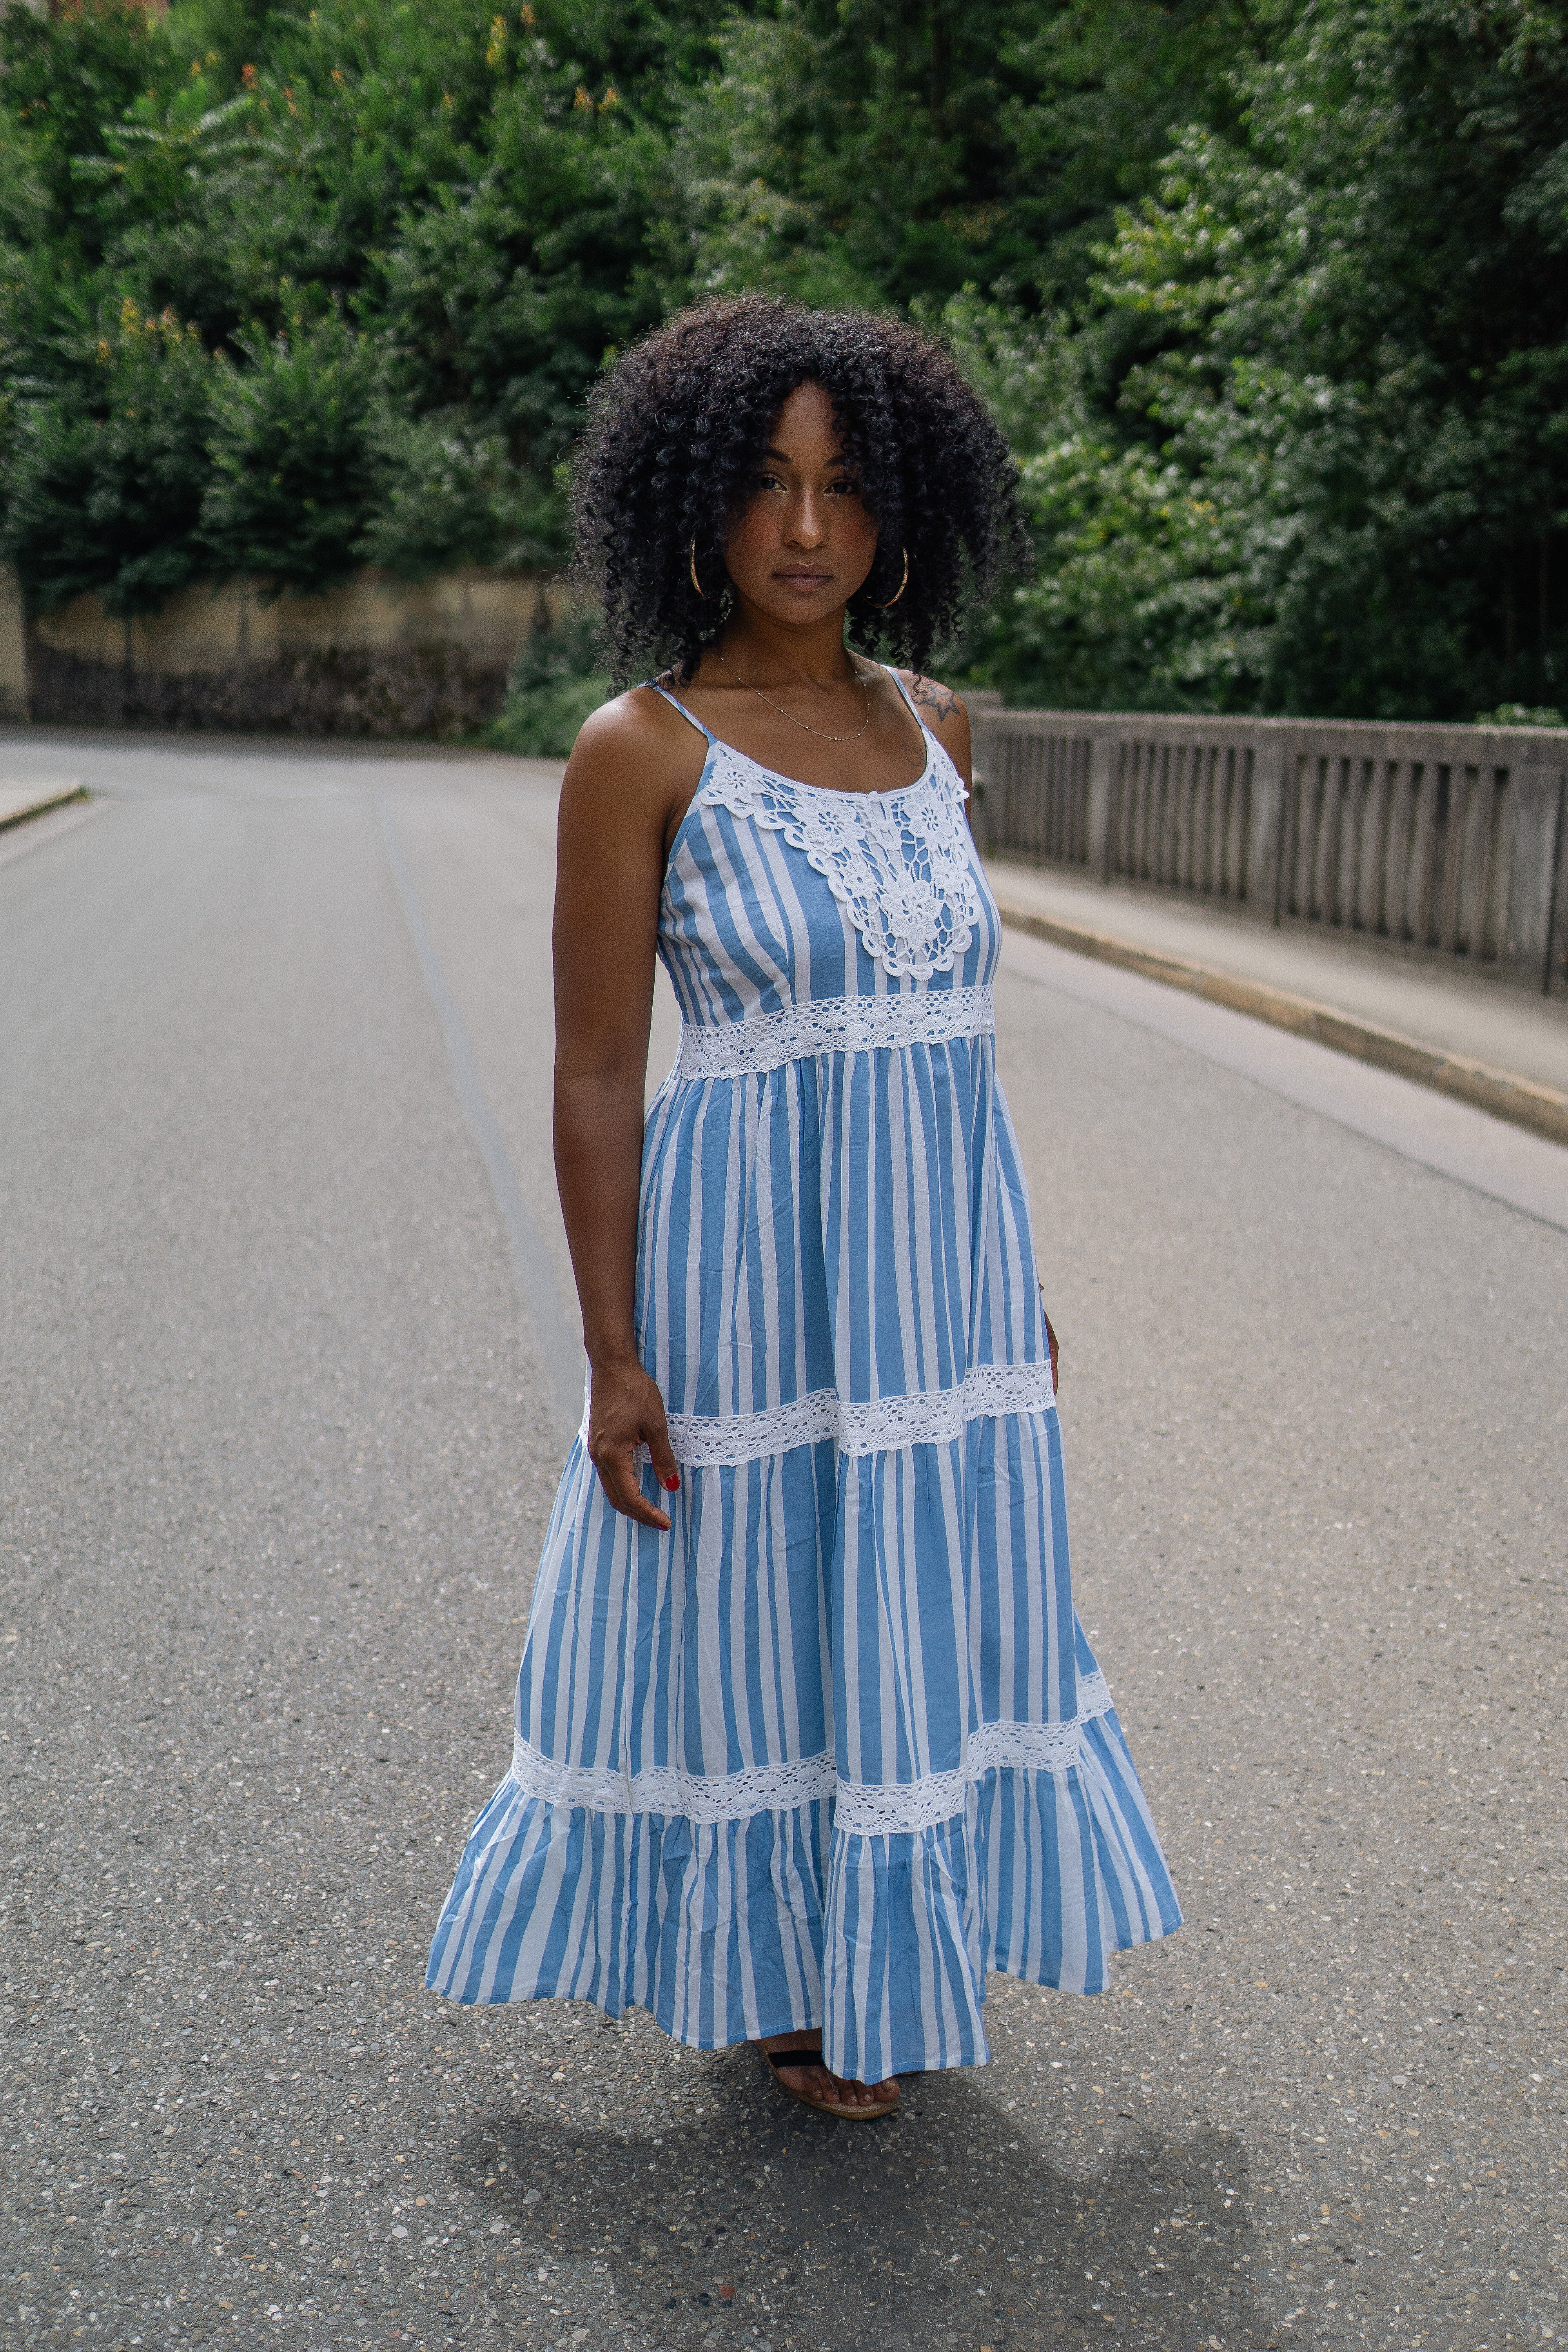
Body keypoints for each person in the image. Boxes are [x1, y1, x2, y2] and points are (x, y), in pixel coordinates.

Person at [427, 297, 1180, 2120]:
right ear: (694, 501)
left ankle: (887, 1943)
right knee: (769, 1611)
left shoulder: (940, 729)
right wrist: (613, 1355)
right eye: (765, 483)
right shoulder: (644, 750)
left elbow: (946, 1042)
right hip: (748, 1283)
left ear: (899, 509)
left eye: (843, 488)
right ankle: (792, 1978)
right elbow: (599, 1073)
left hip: (941, 1288)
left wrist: (1014, 1278)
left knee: (919, 1602)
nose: (804, 529)